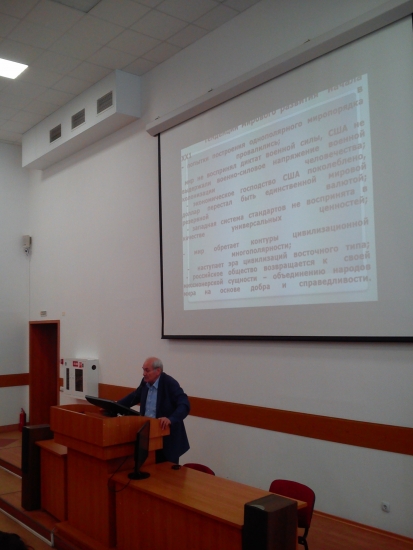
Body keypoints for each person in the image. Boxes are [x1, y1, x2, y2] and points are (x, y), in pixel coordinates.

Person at [118, 357, 190, 464]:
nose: (144, 373)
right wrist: (114, 406)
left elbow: (184, 405)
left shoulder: (170, 383)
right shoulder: (145, 383)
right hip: (148, 437)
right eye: (143, 370)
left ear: (158, 371)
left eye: (147, 370)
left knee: (166, 473)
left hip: (167, 439)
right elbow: (133, 397)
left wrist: (171, 419)